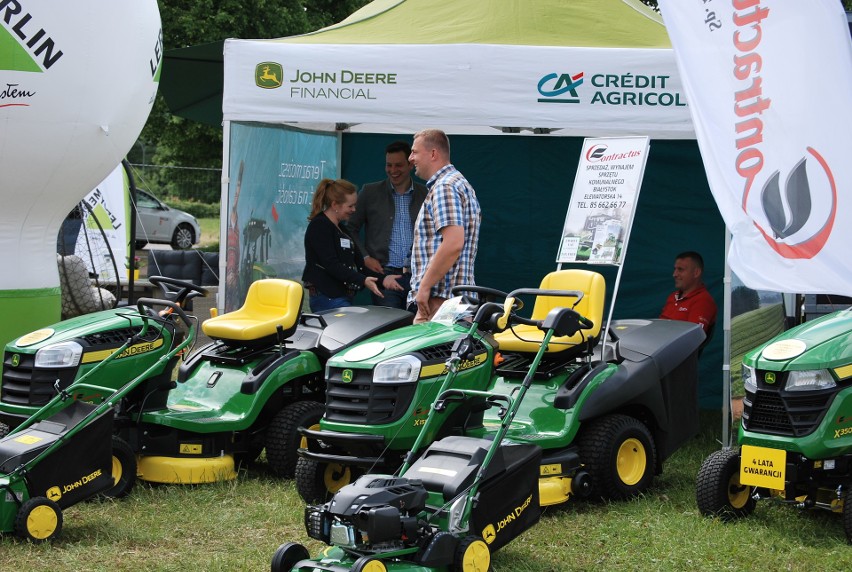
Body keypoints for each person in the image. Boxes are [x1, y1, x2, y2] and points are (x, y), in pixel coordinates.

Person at [407, 129, 481, 324]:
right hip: (449, 302)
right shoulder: (456, 183)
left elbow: (453, 243)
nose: (410, 158)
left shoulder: (445, 187)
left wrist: (424, 287)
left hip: (441, 303)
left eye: (415, 152)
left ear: (433, 154)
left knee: (423, 354)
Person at [346, 140, 428, 309]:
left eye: (398, 165)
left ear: (411, 164)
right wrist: (365, 257)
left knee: (417, 329)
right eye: (389, 165)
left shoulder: (425, 194)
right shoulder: (370, 192)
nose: (393, 170)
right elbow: (350, 228)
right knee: (391, 330)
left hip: (418, 275)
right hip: (385, 274)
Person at [302, 178, 394, 312]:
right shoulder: (320, 226)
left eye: (355, 205)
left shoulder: (342, 229)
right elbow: (331, 265)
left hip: (341, 296)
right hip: (327, 297)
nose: (354, 209)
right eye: (350, 206)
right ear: (335, 205)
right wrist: (363, 280)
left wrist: (384, 279)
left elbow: (360, 266)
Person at [659, 251, 717, 335]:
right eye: (674, 269)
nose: (674, 274)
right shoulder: (672, 297)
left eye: (680, 269)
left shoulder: (703, 301)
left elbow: (694, 337)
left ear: (696, 273)